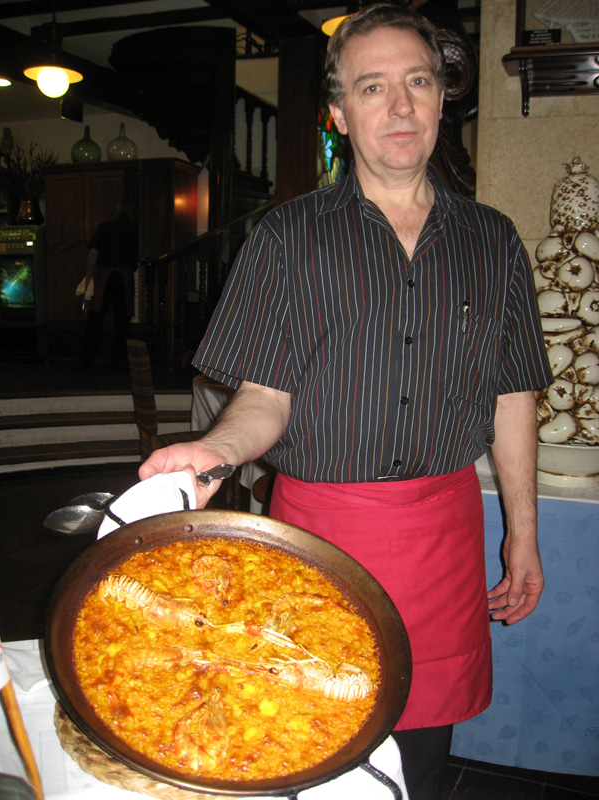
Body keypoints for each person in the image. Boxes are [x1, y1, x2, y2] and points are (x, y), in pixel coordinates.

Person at [138, 5, 553, 799]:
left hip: (445, 535)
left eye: (417, 82)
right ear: (339, 112)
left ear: (442, 99)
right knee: (305, 741)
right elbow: (264, 397)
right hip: (321, 538)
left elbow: (511, 395)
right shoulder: (285, 238)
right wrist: (218, 449)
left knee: (421, 761)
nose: (400, 106)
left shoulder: (494, 240)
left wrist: (522, 537)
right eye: (372, 87)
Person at [78, 198, 139, 370]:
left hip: (104, 277)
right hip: (124, 278)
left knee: (95, 318)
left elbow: (93, 254)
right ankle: (119, 361)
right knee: (122, 321)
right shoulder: (134, 229)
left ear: (117, 210)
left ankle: (86, 359)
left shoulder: (104, 227)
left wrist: (88, 277)